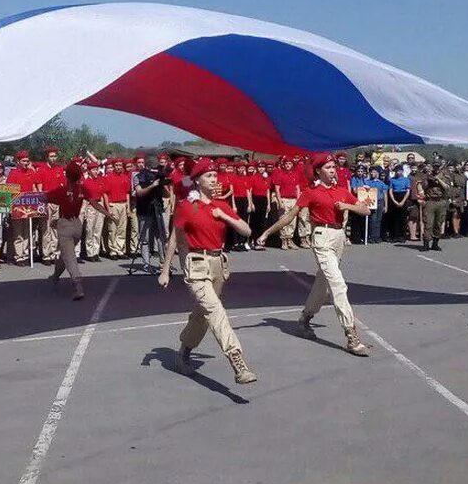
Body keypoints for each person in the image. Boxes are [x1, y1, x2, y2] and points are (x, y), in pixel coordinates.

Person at [259, 152, 372, 355]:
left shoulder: (341, 191)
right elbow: (289, 216)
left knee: (323, 284)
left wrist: (348, 206)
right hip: (322, 237)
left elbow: (366, 210)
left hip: (339, 237)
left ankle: (305, 319)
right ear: (318, 171)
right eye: (328, 167)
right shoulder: (310, 192)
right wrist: (267, 232)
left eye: (333, 167)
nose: (333, 170)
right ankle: (351, 335)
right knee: (338, 284)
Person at [158, 158, 258, 385]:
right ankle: (237, 360)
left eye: (215, 176)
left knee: (203, 315)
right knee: (216, 310)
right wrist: (165, 270)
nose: (214, 180)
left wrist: (224, 216)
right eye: (208, 176)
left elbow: (247, 230)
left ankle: (184, 351)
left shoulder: (220, 206)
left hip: (217, 264)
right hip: (195, 263)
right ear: (197, 180)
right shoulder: (186, 206)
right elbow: (174, 238)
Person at [47, 161, 111, 300]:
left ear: (67, 175)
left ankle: (78, 286)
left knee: (69, 256)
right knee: (66, 253)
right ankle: (55, 276)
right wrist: (108, 214)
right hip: (77, 224)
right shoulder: (82, 189)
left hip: (65, 224)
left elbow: (43, 197)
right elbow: (95, 204)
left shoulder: (61, 190)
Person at [5, 150, 38, 265]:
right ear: (18, 161)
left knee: (27, 231)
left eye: (27, 161)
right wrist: (10, 207)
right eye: (23, 161)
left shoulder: (31, 172)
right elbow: (9, 190)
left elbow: (34, 188)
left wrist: (36, 201)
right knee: (18, 232)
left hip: (29, 206)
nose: (26, 163)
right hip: (17, 206)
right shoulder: (13, 173)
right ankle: (19, 256)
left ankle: (25, 254)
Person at [38, 146, 65, 264]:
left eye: (55, 156)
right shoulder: (41, 169)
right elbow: (39, 187)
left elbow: (63, 186)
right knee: (46, 229)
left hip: (58, 203)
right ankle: (46, 254)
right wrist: (42, 202)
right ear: (47, 157)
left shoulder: (59, 169)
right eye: (51, 156)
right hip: (47, 203)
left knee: (55, 229)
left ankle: (55, 253)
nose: (53, 158)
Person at [269, 155, 303, 249]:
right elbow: (277, 189)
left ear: (292, 165)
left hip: (293, 200)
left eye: (290, 163)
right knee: (283, 219)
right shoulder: (280, 174)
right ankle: (284, 240)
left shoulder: (295, 174)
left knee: (293, 221)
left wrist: (299, 200)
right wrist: (280, 201)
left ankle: (290, 239)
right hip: (284, 199)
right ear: (283, 165)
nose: (288, 165)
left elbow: (297, 188)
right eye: (286, 164)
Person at [419, 163, 450, 251]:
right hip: (430, 201)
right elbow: (423, 187)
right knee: (428, 223)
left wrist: (438, 179)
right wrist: (428, 178)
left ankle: (435, 243)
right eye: (434, 166)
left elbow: (447, 188)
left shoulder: (445, 176)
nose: (436, 168)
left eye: (437, 166)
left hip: (441, 201)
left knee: (438, 223)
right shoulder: (427, 176)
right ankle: (426, 243)